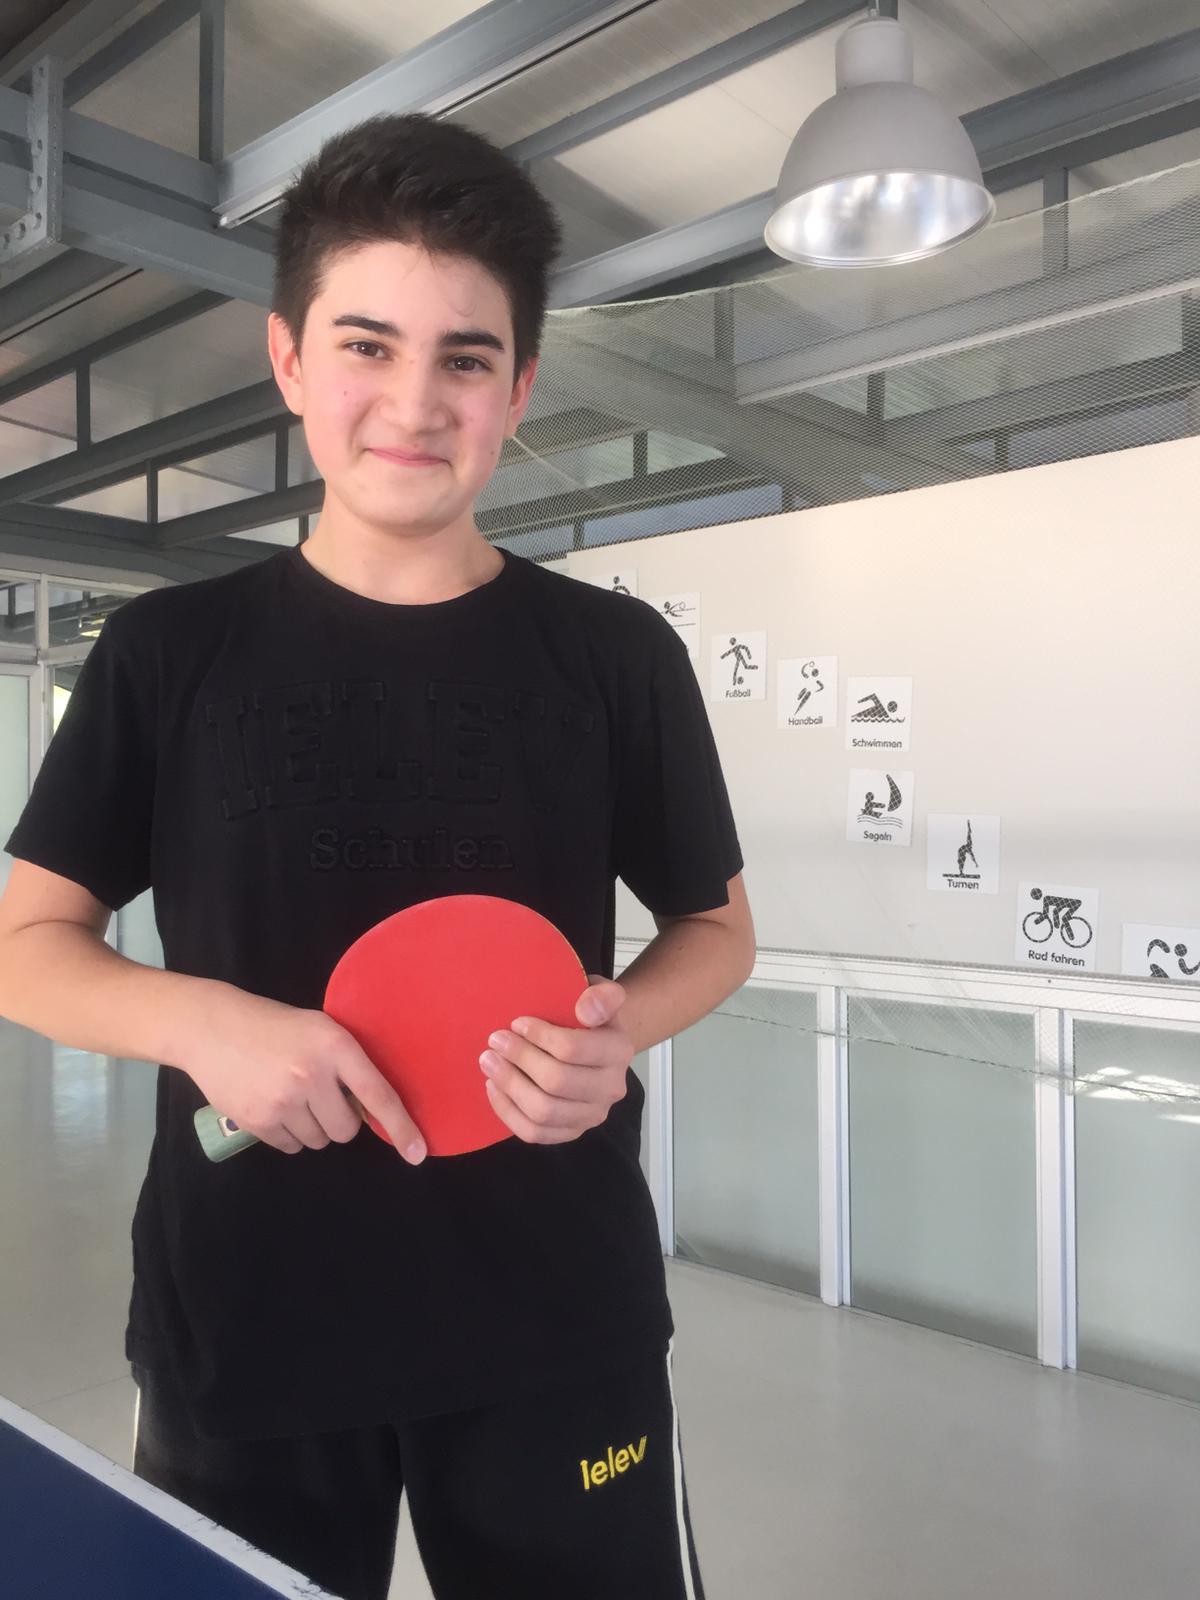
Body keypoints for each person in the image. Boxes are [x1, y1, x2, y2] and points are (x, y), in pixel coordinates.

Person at [0, 112, 754, 1600]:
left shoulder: (614, 657)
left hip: (555, 1315)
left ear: (517, 389)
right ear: (288, 359)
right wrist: (203, 1023)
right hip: (250, 1316)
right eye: (366, 345)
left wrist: (620, 1034)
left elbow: (715, 929)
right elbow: (27, 945)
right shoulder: (169, 654)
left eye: (465, 359)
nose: (413, 403)